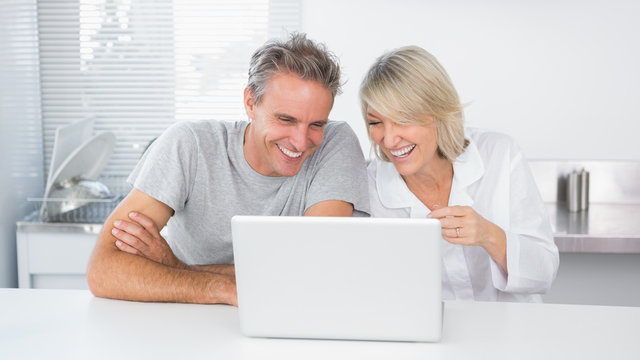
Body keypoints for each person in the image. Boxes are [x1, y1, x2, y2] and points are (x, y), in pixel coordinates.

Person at [87, 33, 370, 306]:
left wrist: (175, 267)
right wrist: (223, 288)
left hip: (284, 320)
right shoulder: (190, 144)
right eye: (285, 119)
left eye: (316, 124)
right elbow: (104, 270)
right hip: (181, 323)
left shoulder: (336, 144)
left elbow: (314, 273)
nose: (300, 141)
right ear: (250, 103)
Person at [360, 46, 558, 302]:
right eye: (375, 123)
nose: (388, 139)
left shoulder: (499, 153)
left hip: (513, 333)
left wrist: (488, 235)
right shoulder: (370, 189)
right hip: (431, 338)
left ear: (439, 112)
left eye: (402, 120)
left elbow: (544, 273)